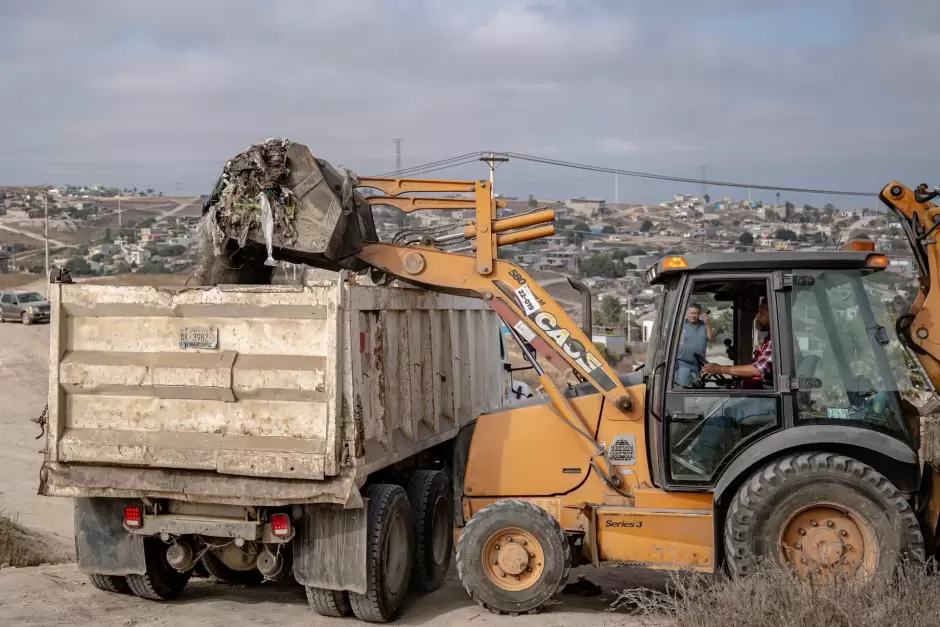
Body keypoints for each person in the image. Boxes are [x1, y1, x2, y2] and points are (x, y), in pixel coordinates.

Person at [675, 298, 774, 476]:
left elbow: (758, 369)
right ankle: (707, 456)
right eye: (758, 310)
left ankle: (701, 460)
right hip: (764, 394)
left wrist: (721, 369)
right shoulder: (769, 340)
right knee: (713, 404)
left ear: (776, 314)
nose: (757, 315)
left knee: (722, 410)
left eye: (763, 311)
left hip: (772, 400)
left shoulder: (778, 341)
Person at [674, 303, 717, 387]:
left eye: (695, 313)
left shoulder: (705, 325)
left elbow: (712, 339)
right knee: (684, 387)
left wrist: (707, 323)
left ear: (699, 314)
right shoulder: (681, 325)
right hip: (683, 363)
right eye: (691, 313)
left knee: (697, 387)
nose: (693, 316)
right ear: (687, 312)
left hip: (699, 364)